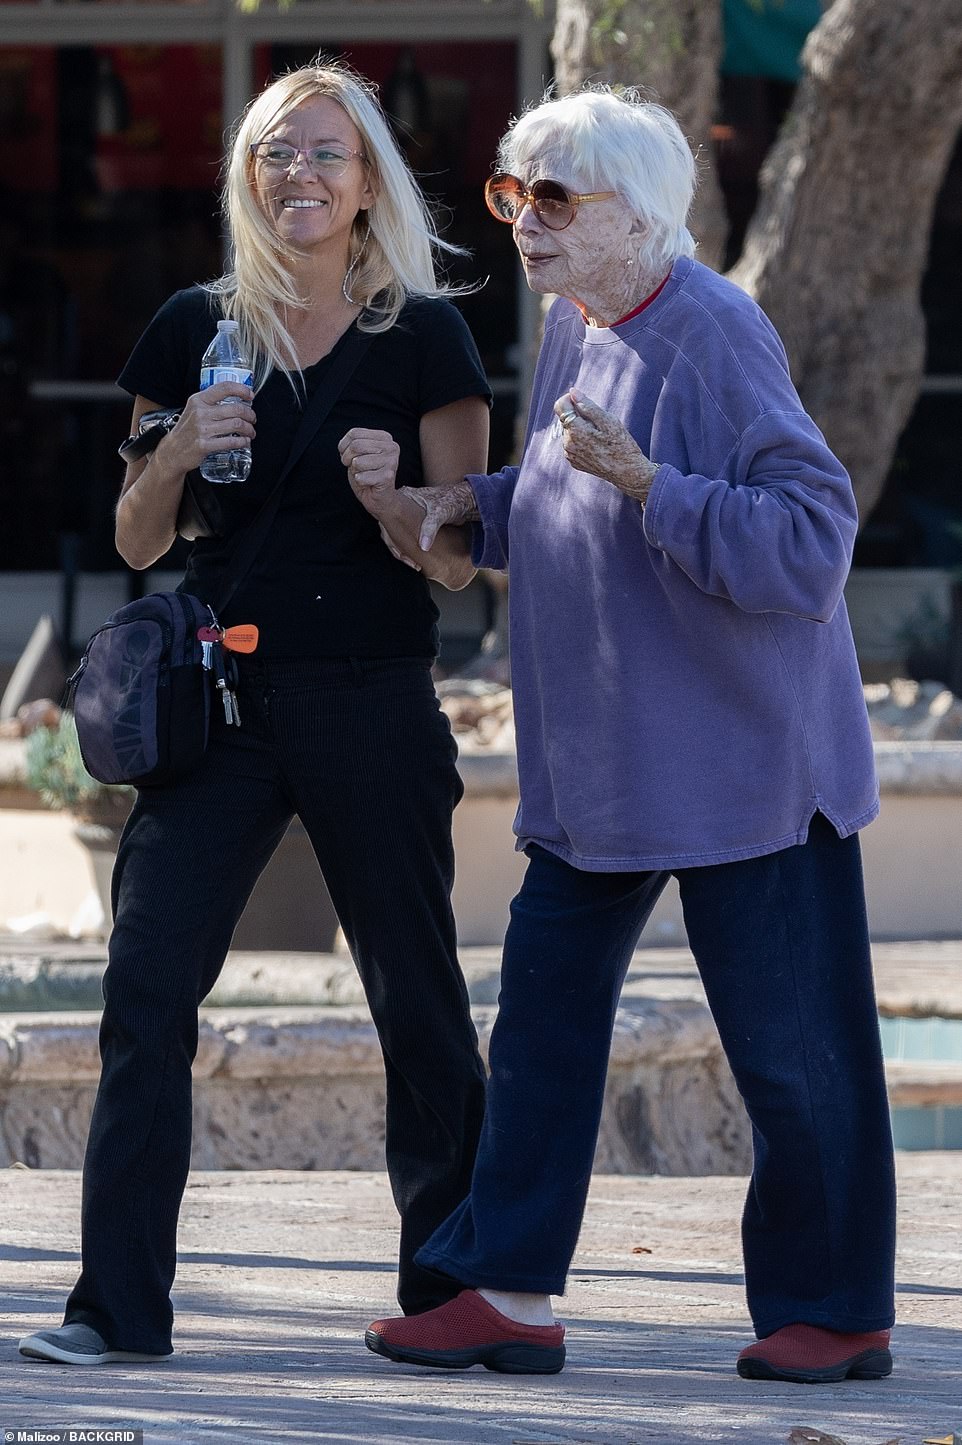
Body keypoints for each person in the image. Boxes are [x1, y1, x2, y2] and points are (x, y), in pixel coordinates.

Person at [354, 87, 897, 1384]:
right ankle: (507, 1289)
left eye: (552, 198)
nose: (523, 224)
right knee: (536, 1037)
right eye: (511, 193)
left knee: (791, 1053)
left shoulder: (712, 331)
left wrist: (653, 486)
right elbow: (552, 494)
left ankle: (836, 1312)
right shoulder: (572, 327)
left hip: (746, 775)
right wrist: (442, 508)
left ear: (638, 215)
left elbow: (812, 542)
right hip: (598, 778)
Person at [19, 59, 491, 1366]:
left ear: (366, 183)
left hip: (370, 699)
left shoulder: (427, 337)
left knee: (416, 995)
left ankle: (450, 1289)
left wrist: (397, 498)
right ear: (247, 176)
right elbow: (133, 533)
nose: (300, 176)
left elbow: (465, 555)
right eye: (277, 154)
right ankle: (115, 1306)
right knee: (145, 986)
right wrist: (173, 448)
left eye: (326, 155)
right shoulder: (190, 326)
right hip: (214, 704)